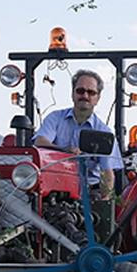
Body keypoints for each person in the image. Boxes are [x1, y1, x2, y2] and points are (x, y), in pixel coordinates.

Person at [33, 68, 123, 196]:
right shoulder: (55, 118)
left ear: (98, 98)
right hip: (54, 187)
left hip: (90, 190)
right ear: (72, 94)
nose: (85, 96)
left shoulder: (105, 133)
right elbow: (40, 141)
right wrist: (64, 151)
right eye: (80, 91)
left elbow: (107, 172)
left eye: (91, 92)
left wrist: (105, 200)